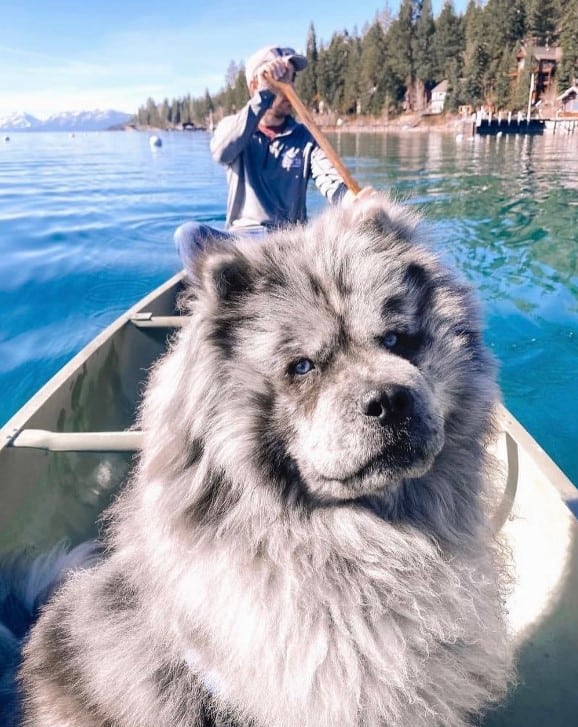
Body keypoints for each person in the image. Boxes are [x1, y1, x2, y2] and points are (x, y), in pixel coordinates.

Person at [174, 44, 374, 273]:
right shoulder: (233, 127)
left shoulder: (305, 137)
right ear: (254, 85)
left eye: (291, 77)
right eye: (279, 77)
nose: (289, 85)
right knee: (188, 235)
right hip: (242, 243)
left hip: (290, 243)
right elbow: (221, 153)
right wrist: (265, 95)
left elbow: (331, 181)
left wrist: (352, 201)